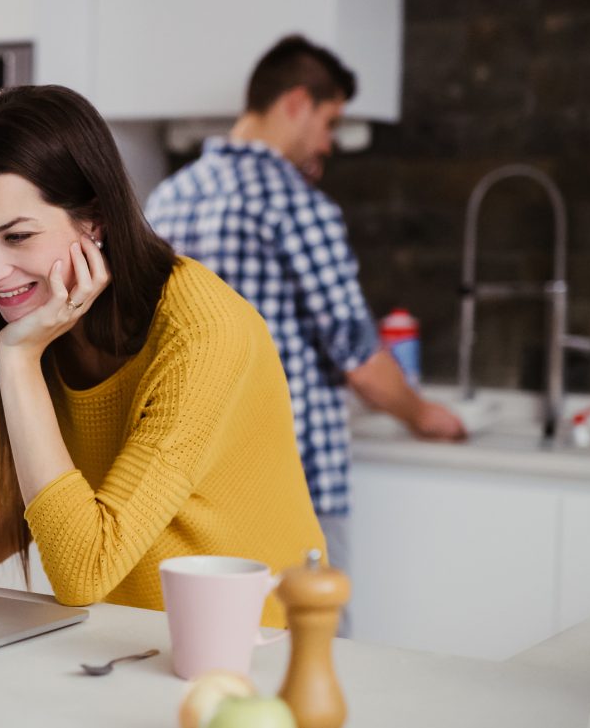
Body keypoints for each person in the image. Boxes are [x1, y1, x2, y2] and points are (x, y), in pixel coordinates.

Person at [0, 84, 324, 628]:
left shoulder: (203, 332)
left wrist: (19, 360)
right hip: (125, 638)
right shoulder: (44, 314)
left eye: (18, 236)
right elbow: (38, 497)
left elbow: (83, 570)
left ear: (94, 220)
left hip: (250, 643)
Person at [144, 35, 466, 626]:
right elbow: (357, 358)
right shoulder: (298, 206)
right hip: (295, 479)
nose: (328, 143)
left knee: (212, 650)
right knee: (312, 649)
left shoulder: (168, 199)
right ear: (295, 102)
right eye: (329, 121)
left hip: (191, 481)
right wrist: (425, 415)